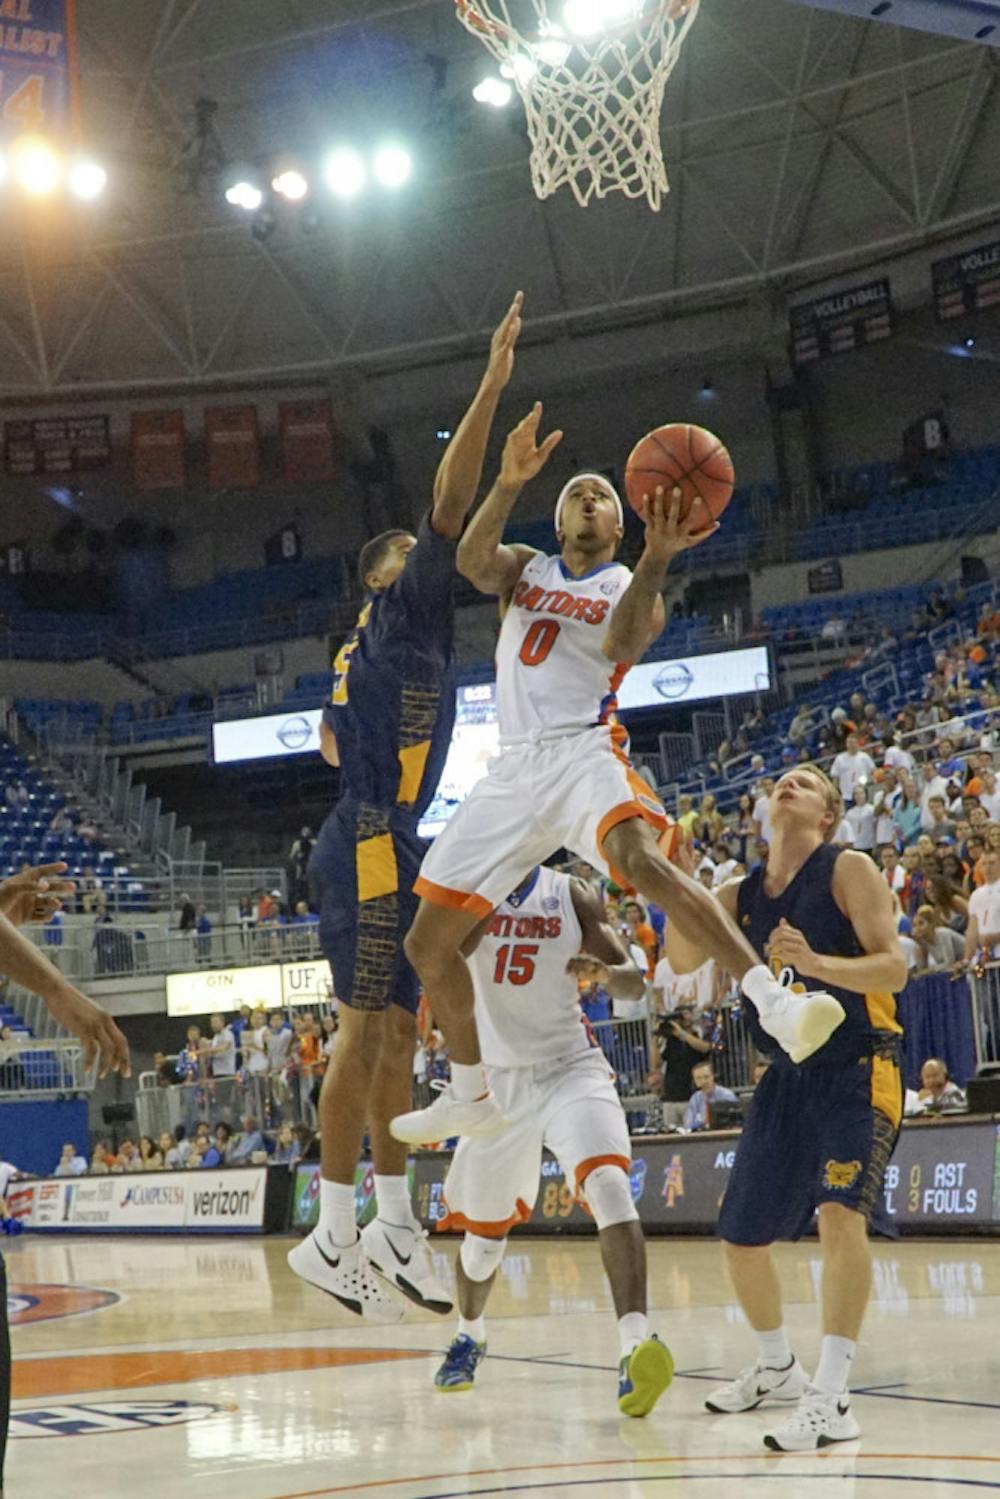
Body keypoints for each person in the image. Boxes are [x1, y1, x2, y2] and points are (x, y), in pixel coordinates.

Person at [391, 404, 843, 1149]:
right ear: (560, 516)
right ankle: (470, 1091)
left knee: (639, 860)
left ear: (621, 521)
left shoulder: (631, 583)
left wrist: (659, 556)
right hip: (510, 771)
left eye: (601, 494)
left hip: (580, 752)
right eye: (575, 494)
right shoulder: (523, 568)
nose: (588, 500)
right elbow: (469, 563)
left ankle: (774, 1001)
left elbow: (624, 640)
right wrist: (504, 484)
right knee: (425, 946)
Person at [289, 294, 527, 1323]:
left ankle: (390, 1221)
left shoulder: (393, 642)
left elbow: (331, 734)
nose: (428, 560)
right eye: (410, 555)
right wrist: (488, 389)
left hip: (382, 826)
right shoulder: (402, 606)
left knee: (394, 1034)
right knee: (363, 1034)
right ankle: (332, 1230)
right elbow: (447, 504)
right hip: (369, 832)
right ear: (382, 578)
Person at [664, 762, 906, 1451]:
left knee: (839, 1215)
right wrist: (678, 886)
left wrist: (818, 962)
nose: (788, 783)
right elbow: (681, 957)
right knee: (740, 1238)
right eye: (783, 780)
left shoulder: (847, 868)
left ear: (828, 814)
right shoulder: (736, 893)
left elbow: (895, 967)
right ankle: (778, 1366)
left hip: (861, 1064)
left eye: (806, 781)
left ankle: (832, 1397)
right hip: (786, 1076)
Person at [432, 864, 672, 1417]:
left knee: (611, 1186)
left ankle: (634, 1348)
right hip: (498, 1080)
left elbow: (633, 979)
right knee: (483, 1241)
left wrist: (608, 976)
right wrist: (483, 897)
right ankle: (471, 1334)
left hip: (571, 1066)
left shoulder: (569, 893)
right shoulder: (467, 888)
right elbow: (438, 954)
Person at [652, 999, 712, 1129]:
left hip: (691, 1096)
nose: (684, 1017)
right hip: (671, 1097)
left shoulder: (698, 1032)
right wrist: (656, 1037)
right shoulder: (670, 1040)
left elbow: (705, 1048)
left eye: (686, 1013)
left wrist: (682, 1034)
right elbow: (656, 1063)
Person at [965, 847, 1000, 962]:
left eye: (992, 863)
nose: (988, 867)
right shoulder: (976, 895)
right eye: (984, 864)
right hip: (983, 956)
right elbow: (972, 929)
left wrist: (995, 937)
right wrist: (967, 959)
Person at [683, 1061, 737, 1132]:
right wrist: (701, 1124)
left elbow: (734, 1123)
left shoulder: (726, 1096)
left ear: (713, 1076)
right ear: (694, 1081)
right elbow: (688, 1124)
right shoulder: (695, 1098)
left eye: (706, 1077)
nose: (703, 1081)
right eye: (698, 1078)